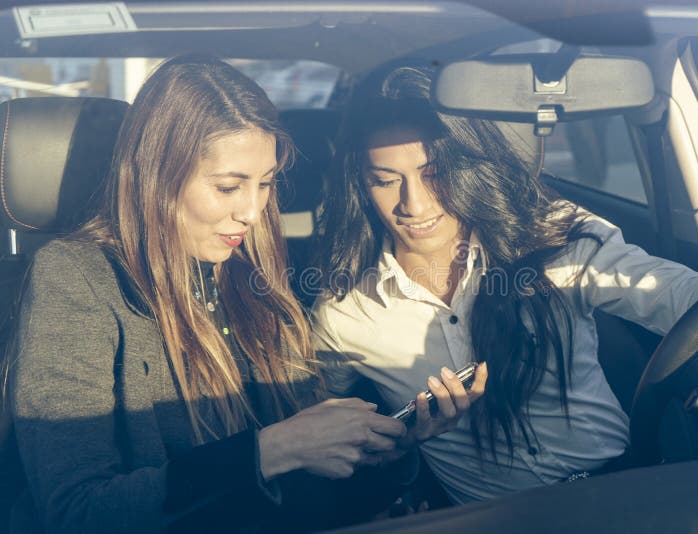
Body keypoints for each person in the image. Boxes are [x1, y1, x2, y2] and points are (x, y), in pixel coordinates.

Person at [311, 64, 698, 505]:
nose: (412, 205)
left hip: (624, 491)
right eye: (384, 180)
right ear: (361, 185)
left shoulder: (555, 238)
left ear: (469, 166)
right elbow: (330, 447)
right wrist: (407, 441)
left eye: (434, 173)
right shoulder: (345, 310)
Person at [4, 55, 434, 534]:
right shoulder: (76, 277)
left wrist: (382, 456)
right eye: (229, 187)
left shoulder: (252, 277)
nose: (252, 212)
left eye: (266, 184)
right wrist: (273, 450)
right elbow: (76, 513)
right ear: (157, 176)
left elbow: (313, 501)